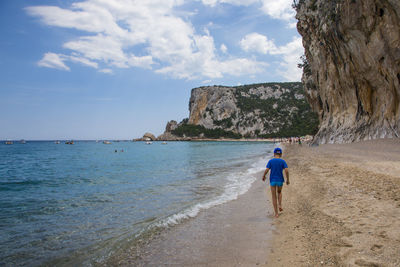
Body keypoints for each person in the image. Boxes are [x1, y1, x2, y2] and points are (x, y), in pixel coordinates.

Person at [262, 147, 289, 218]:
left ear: (274, 154)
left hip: (273, 181)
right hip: (280, 180)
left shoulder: (271, 161)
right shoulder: (282, 161)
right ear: (281, 154)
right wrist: (287, 179)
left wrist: (264, 176)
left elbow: (267, 169)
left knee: (274, 196)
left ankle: (276, 213)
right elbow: (286, 170)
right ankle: (280, 205)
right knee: (279, 192)